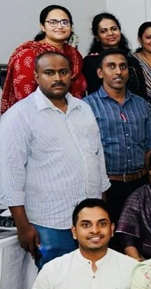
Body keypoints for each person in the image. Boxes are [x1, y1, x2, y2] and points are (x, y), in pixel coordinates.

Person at [0, 52, 109, 268]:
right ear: (36, 76)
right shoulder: (19, 116)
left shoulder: (83, 108)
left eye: (63, 72)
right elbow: (10, 175)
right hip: (50, 223)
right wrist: (22, 226)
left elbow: (97, 158)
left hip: (90, 221)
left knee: (90, 279)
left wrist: (102, 206)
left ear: (71, 75)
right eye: (49, 73)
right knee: (56, 283)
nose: (57, 78)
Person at [85, 49, 151, 227]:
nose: (118, 71)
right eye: (111, 66)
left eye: (123, 66)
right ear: (100, 73)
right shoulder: (87, 106)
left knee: (140, 234)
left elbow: (149, 147)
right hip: (108, 187)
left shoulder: (141, 104)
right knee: (110, 236)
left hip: (139, 184)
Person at [2, 5, 87, 113]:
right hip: (36, 115)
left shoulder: (75, 55)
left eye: (65, 22)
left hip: (74, 113)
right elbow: (24, 97)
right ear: (42, 26)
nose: (60, 26)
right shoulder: (28, 54)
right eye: (53, 22)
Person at [82, 12, 148, 98]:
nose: (110, 33)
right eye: (104, 31)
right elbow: (94, 93)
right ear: (97, 36)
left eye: (114, 29)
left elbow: (142, 94)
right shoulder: (91, 62)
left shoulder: (132, 61)